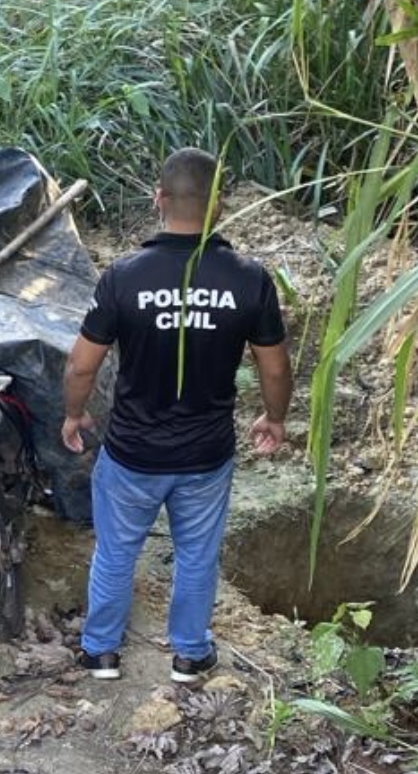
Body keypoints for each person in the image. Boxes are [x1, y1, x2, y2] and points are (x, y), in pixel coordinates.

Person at [61, 148, 293, 682]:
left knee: (117, 553)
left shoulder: (123, 277)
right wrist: (274, 418)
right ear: (220, 206)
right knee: (196, 556)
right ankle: (190, 654)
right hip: (205, 455)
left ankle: (100, 652)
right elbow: (274, 367)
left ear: (158, 199)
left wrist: (73, 415)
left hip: (131, 453)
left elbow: (81, 366)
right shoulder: (249, 279)